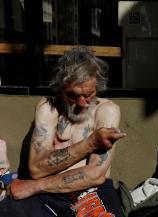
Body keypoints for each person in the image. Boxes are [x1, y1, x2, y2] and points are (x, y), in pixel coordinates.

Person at [0, 46, 126, 217]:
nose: (82, 103)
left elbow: (95, 174)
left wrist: (34, 186)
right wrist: (91, 142)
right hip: (46, 196)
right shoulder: (49, 108)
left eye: (89, 94)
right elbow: (36, 169)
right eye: (73, 96)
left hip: (88, 192)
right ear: (60, 87)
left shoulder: (106, 110)